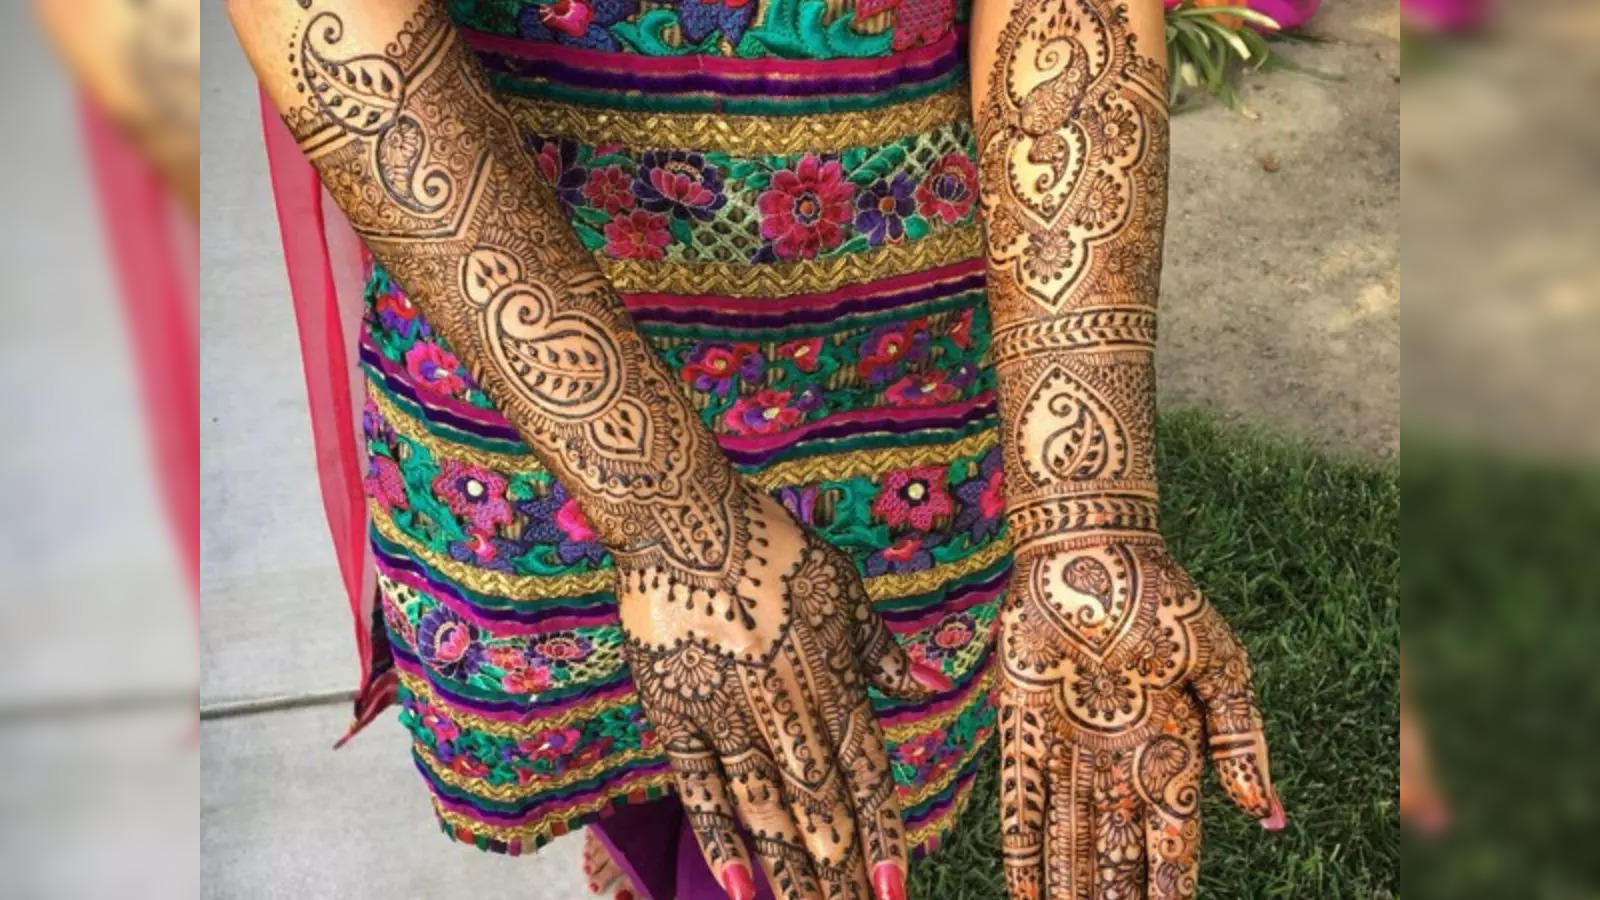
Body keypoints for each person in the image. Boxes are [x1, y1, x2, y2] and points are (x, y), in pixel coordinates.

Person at [228, 0, 1282, 896]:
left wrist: (1086, 513)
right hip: (523, 395)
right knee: (640, 775)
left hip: (892, 384)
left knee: (814, 810)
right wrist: (670, 513)